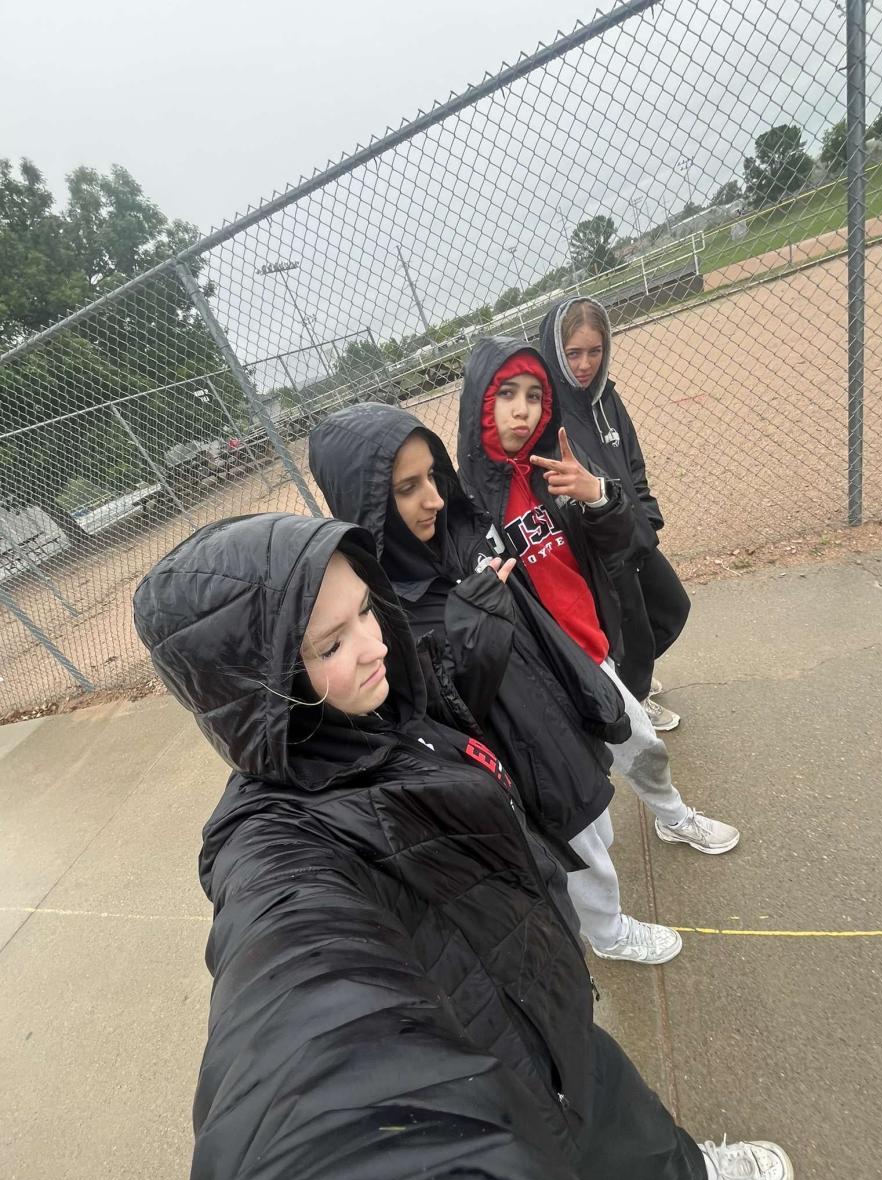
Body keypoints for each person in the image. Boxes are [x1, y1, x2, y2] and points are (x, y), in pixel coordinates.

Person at [133, 512, 793, 1180]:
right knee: (596, 1139)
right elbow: (293, 997)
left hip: (542, 1004)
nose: (374, 644)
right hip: (501, 1079)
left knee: (625, 1118)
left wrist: (477, 622)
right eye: (330, 644)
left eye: (366, 610)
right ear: (258, 685)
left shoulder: (383, 713)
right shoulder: (278, 843)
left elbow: (453, 699)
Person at [309, 401, 679, 964]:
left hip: (557, 711)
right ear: (367, 503)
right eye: (407, 488)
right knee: (580, 855)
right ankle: (609, 935)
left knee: (597, 826)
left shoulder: (466, 534)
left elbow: (539, 615)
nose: (434, 498)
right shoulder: (380, 612)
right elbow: (434, 723)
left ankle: (604, 911)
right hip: (519, 759)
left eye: (432, 475)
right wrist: (473, 636)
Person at [458, 337, 739, 856]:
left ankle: (672, 817)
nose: (522, 410)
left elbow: (616, 546)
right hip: (545, 664)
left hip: (592, 644)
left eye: (535, 396)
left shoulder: (556, 468)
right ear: (480, 402)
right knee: (578, 792)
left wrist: (600, 498)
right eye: (506, 394)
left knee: (641, 745)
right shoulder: (467, 503)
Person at [539, 296, 691, 731]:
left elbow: (632, 462)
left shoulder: (607, 397)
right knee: (632, 631)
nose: (585, 364)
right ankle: (633, 698)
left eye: (595, 351)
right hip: (602, 544)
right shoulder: (550, 416)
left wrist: (648, 516)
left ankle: (628, 679)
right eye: (573, 353)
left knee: (673, 608)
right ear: (556, 351)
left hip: (634, 529)